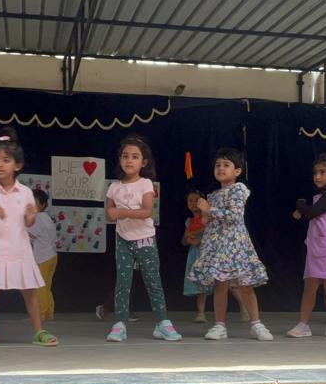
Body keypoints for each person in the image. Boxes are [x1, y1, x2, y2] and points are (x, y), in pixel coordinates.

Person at [0, 127, 58, 348]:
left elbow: (29, 222)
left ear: (17, 165)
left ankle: (39, 331)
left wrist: (31, 215)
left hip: (19, 250)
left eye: (6, 160)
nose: (0, 164)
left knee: (30, 293)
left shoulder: (25, 192)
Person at [188, 148, 271, 341]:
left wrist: (209, 209)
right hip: (217, 246)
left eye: (226, 165)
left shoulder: (238, 189)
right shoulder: (213, 195)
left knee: (245, 284)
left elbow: (234, 216)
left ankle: (256, 324)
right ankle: (219, 325)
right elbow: (208, 220)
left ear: (237, 171)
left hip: (235, 245)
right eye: (218, 165)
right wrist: (204, 214)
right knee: (220, 285)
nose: (221, 168)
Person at [105, 135, 180, 342]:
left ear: (143, 162)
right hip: (122, 238)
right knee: (123, 281)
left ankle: (162, 322)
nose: (129, 160)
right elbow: (109, 213)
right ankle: (120, 324)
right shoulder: (114, 187)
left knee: (152, 280)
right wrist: (114, 213)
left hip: (145, 239)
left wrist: (121, 212)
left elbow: (147, 211)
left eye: (135, 156)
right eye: (125, 156)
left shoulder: (146, 184)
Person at [286, 151, 326, 339]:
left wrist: (300, 204)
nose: (317, 176)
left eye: (323, 172)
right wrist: (304, 210)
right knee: (311, 284)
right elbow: (313, 213)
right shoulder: (324, 197)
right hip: (318, 246)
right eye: (315, 173)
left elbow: (310, 213)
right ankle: (303, 324)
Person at [28, 188, 58, 322]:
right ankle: (49, 313)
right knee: (46, 287)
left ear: (42, 205)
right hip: (51, 256)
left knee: (40, 287)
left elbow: (28, 236)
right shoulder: (46, 217)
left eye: (34, 203)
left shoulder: (38, 218)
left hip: (43, 258)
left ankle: (40, 314)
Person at [182, 189, 211, 323]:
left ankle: (244, 307)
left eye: (196, 200)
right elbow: (184, 241)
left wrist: (198, 237)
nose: (193, 203)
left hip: (208, 253)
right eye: (190, 201)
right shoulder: (189, 221)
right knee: (200, 284)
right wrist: (189, 238)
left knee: (225, 283)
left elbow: (210, 234)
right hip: (195, 254)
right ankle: (201, 313)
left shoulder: (208, 218)